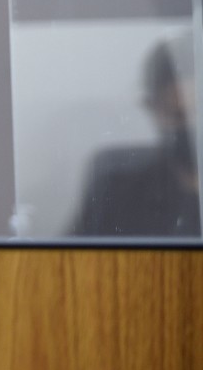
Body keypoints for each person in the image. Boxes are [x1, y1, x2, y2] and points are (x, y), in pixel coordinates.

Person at [71, 36, 200, 237]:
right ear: (152, 107)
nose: (193, 127)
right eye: (178, 115)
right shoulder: (117, 186)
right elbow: (72, 254)